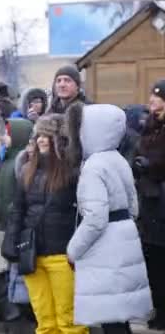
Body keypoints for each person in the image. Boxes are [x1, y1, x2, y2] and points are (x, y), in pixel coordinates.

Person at [67, 104, 152, 334]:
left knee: (110, 319)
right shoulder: (118, 160)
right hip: (123, 239)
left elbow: (95, 218)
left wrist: (73, 249)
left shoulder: (94, 166)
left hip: (104, 247)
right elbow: (134, 205)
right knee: (120, 317)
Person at [1, 114, 88, 334]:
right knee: (45, 322)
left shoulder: (73, 172)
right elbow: (17, 210)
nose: (40, 139)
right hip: (32, 255)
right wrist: (11, 244)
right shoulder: (26, 170)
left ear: (59, 139)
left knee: (69, 322)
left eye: (46, 135)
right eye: (38, 134)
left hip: (63, 256)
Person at [133, 80, 165, 330]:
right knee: (153, 260)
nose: (152, 100)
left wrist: (150, 165)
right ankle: (159, 308)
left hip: (162, 201)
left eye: (158, 97)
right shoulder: (150, 126)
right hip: (150, 202)